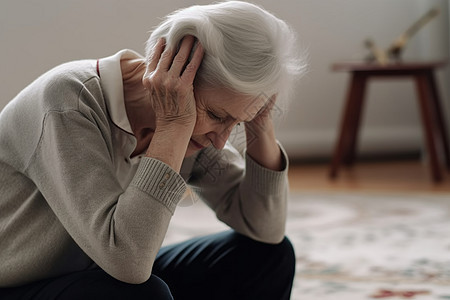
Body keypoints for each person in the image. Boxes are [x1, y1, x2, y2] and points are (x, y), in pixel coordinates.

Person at [0, 1, 305, 299]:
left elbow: (265, 229)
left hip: (103, 272)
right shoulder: (68, 103)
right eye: (216, 115)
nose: (221, 141)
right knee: (144, 293)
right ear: (175, 74)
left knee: (268, 258)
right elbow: (127, 262)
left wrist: (258, 124)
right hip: (21, 284)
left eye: (235, 124)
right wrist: (173, 125)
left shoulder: (197, 133)